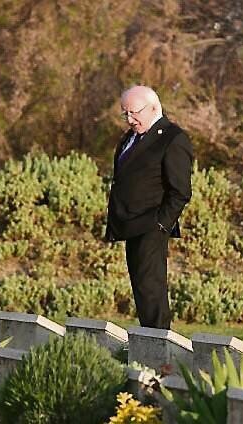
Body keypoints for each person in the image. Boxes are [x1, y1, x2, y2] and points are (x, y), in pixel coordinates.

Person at [105, 85, 193, 330]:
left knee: (151, 288)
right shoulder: (131, 137)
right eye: (125, 114)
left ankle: (158, 342)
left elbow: (180, 192)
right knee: (141, 287)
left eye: (134, 113)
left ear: (153, 108)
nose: (129, 119)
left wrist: (160, 224)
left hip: (152, 225)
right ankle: (148, 338)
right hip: (131, 224)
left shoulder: (172, 138)